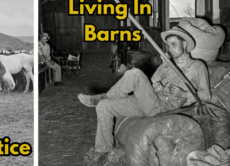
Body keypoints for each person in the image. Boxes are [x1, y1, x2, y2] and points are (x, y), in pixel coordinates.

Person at [78, 27, 211, 154]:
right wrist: (156, 85)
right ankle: (104, 151)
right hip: (148, 102)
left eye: (174, 44)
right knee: (104, 106)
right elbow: (152, 83)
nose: (170, 49)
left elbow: (206, 96)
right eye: (168, 46)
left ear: (185, 44)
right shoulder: (167, 65)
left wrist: (184, 94)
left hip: (164, 108)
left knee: (135, 73)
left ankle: (105, 95)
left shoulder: (197, 67)